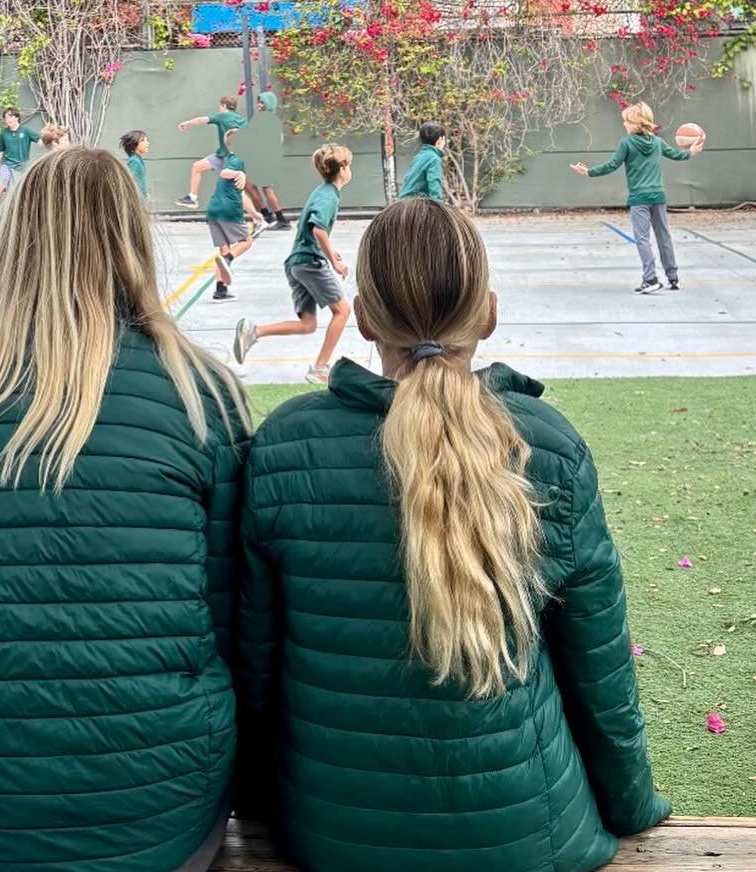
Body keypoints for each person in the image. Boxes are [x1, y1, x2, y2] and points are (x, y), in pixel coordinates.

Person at [236, 198, 670, 872]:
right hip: (533, 835)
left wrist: (266, 804)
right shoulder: (547, 447)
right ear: (488, 314)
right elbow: (600, 672)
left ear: (368, 320)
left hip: (331, 835)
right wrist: (632, 806)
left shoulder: (285, 447)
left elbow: (257, 670)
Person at [0, 149, 248, 872]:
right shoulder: (203, 394)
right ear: (131, 238)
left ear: (15, 243)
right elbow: (225, 617)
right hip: (153, 808)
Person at [234, 144, 351, 386]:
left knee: (308, 325)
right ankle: (320, 368)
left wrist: (330, 252)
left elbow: (314, 230)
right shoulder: (328, 196)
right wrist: (333, 262)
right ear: (342, 170)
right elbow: (318, 229)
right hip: (309, 263)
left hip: (298, 262)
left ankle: (254, 331)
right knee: (342, 311)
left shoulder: (323, 191)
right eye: (349, 166)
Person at [571, 102, 705, 294]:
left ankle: (650, 279)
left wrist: (588, 172)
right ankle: (672, 276)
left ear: (635, 123)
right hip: (658, 196)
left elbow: (612, 165)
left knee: (642, 238)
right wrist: (691, 151)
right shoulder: (658, 143)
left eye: (626, 121)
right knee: (663, 236)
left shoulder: (626, 143)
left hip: (639, 199)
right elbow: (677, 155)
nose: (624, 124)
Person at [205, 126, 257, 303]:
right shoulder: (237, 160)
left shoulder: (229, 158)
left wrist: (254, 213)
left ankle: (220, 290)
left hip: (214, 209)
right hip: (229, 210)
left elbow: (240, 193)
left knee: (224, 248)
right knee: (246, 241)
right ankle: (227, 260)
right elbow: (225, 173)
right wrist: (239, 172)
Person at [175, 94, 248, 207]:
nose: (219, 108)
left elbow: (201, 120)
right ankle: (192, 198)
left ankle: (257, 218)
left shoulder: (223, 116)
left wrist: (186, 123)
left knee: (237, 191)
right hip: (222, 155)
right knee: (197, 166)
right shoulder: (242, 120)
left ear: (224, 105)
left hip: (231, 159)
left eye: (220, 105)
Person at [0, 105, 40, 220]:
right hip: (7, 164)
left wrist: (52, 142)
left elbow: (40, 141)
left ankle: (22, 216)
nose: (8, 120)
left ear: (16, 118)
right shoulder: (4, 133)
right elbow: (0, 151)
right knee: (1, 183)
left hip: (21, 168)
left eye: (10, 117)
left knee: (18, 192)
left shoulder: (25, 131)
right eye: (6, 118)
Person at [399, 120, 447, 200]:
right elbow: (434, 183)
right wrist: (439, 206)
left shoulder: (419, 156)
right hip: (416, 202)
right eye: (444, 140)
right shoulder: (434, 158)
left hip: (403, 200)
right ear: (439, 141)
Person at [121, 127, 150, 198]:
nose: (147, 143)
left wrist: (145, 193)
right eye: (143, 141)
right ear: (135, 144)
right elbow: (129, 182)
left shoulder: (137, 159)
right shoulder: (134, 161)